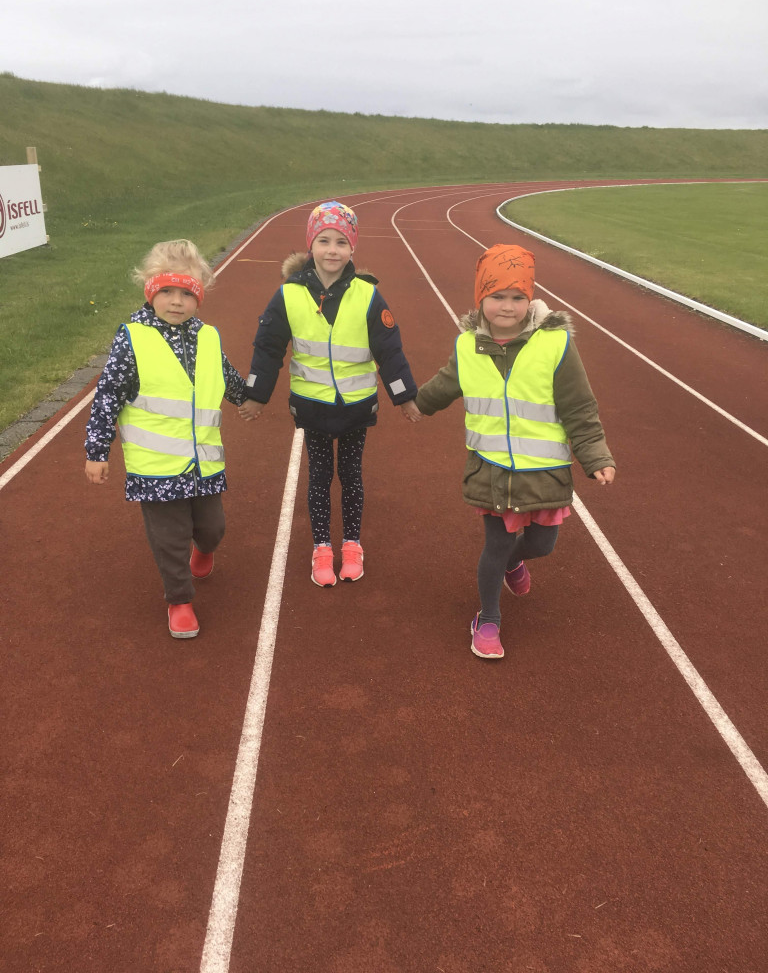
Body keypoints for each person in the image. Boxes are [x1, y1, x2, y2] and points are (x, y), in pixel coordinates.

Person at [413, 244, 615, 660]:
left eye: (517, 297)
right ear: (480, 299)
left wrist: (595, 456)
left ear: (530, 299)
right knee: (496, 544)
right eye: (497, 296)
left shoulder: (555, 345)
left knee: (542, 544)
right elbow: (446, 383)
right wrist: (416, 404)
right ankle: (488, 618)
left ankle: (513, 562)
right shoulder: (467, 346)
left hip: (545, 471)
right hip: (491, 469)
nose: (507, 306)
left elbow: (579, 406)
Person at [239, 200, 420, 586]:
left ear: (353, 247)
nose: (332, 250)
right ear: (311, 245)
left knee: (351, 475)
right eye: (324, 241)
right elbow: (268, 348)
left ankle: (352, 544)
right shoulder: (288, 295)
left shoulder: (368, 295)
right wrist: (256, 394)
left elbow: (389, 350)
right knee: (320, 476)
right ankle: (322, 547)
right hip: (313, 408)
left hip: (356, 407)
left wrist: (404, 396)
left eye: (341, 242)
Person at [84, 239, 248, 639]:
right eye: (167, 291)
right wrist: (97, 450)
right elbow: (108, 396)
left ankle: (204, 550)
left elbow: (227, 378)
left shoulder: (208, 336)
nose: (177, 301)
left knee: (213, 528)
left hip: (204, 463)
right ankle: (179, 600)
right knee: (170, 539)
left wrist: (251, 397)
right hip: (156, 469)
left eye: (187, 293)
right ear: (150, 291)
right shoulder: (133, 338)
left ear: (199, 296)